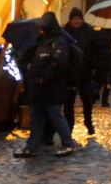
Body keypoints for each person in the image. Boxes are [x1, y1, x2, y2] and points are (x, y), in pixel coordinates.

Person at [13, 12, 78, 158]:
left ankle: (68, 144)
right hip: (37, 87)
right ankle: (32, 147)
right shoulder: (40, 42)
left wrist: (45, 77)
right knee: (37, 118)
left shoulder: (59, 42)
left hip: (51, 88)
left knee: (55, 117)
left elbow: (59, 63)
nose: (40, 31)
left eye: (43, 28)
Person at [63, 8, 97, 136]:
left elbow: (95, 50)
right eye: (74, 19)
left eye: (78, 18)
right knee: (68, 103)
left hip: (85, 72)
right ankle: (69, 127)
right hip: (69, 74)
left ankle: (88, 122)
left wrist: (93, 64)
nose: (76, 21)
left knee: (87, 101)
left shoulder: (89, 32)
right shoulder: (65, 32)